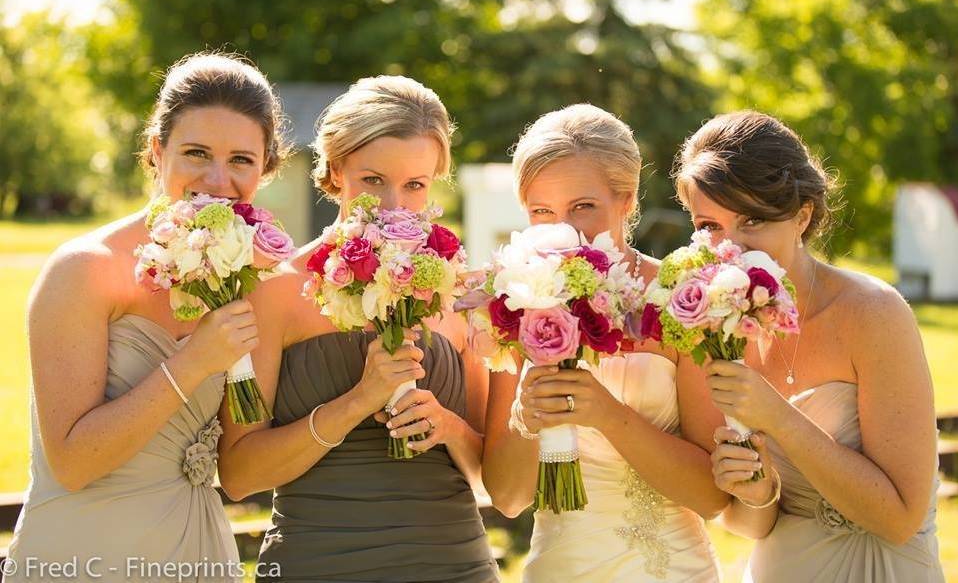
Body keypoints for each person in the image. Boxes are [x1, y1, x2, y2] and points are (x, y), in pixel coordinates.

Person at [4, 52, 290, 582]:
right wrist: (194, 362)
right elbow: (72, 462)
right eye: (196, 153)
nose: (217, 179)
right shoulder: (84, 269)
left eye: (242, 160)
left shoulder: (245, 280)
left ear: (266, 167)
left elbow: (243, 464)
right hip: (83, 556)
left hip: (198, 552)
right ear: (157, 151)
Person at [217, 75, 499, 582]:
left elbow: (495, 478)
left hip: (453, 564)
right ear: (334, 172)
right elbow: (239, 477)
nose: (394, 205)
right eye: (373, 181)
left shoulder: (463, 291)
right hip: (317, 564)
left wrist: (450, 428)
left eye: (414, 185)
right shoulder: (273, 293)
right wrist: (356, 402)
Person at [676, 110, 945, 582]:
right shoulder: (711, 327)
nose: (729, 248)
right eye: (709, 226)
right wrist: (757, 493)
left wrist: (776, 416)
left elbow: (899, 517)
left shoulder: (873, 313)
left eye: (752, 220)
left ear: (802, 216)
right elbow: (750, 522)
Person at [482, 104, 727, 582]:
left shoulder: (682, 299)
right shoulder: (514, 305)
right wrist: (524, 419)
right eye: (542, 212)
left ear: (627, 199)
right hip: (561, 567)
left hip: (671, 569)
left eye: (583, 207)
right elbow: (509, 499)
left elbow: (714, 497)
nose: (565, 230)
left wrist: (607, 414)